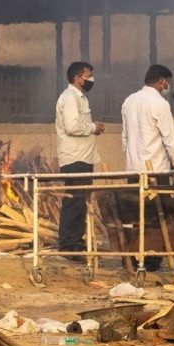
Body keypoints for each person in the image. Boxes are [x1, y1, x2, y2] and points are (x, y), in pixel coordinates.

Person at [121, 65, 174, 273]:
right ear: (161, 81)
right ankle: (149, 259)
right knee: (156, 216)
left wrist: (132, 158)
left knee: (134, 216)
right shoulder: (160, 103)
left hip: (133, 169)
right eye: (167, 81)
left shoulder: (129, 101)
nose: (168, 86)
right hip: (155, 170)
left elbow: (125, 138)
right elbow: (170, 139)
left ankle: (131, 257)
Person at [53, 61, 99, 253]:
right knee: (73, 201)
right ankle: (68, 243)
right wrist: (94, 127)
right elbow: (72, 127)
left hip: (83, 157)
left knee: (79, 201)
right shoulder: (70, 97)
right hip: (74, 158)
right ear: (77, 78)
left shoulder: (80, 97)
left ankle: (76, 241)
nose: (91, 79)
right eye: (88, 75)